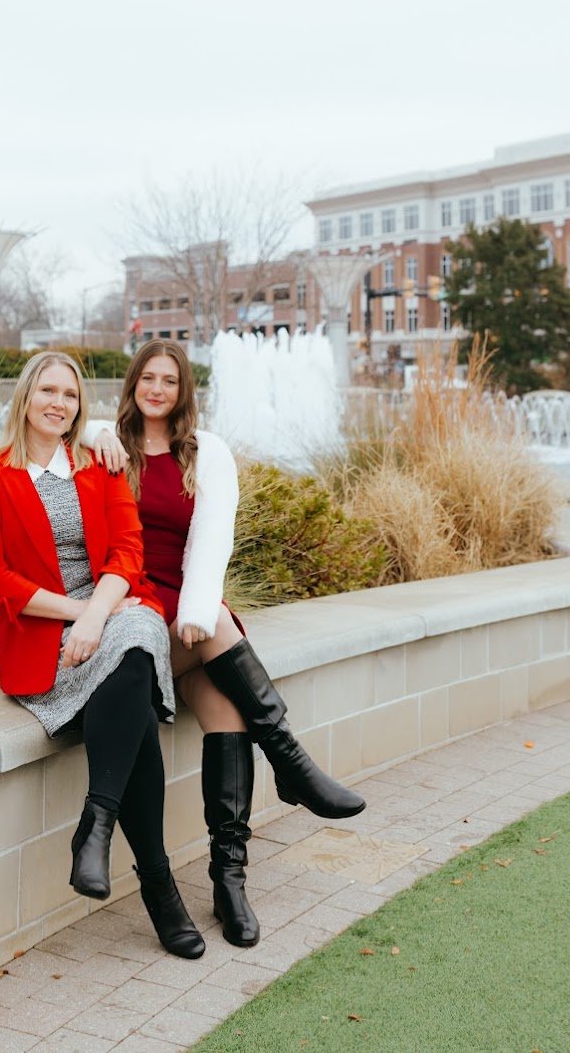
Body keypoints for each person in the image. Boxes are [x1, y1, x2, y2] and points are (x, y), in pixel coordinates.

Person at [88, 340, 365, 950]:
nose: (157, 389)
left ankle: (229, 879)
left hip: (188, 611)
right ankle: (291, 764)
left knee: (227, 711)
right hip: (132, 611)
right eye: (148, 378)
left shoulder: (202, 452)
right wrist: (94, 431)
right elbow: (60, 419)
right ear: (132, 382)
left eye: (170, 381)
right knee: (217, 625)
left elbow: (214, 536)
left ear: (184, 391)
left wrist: (193, 607)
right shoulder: (107, 444)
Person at [0, 350, 204, 959]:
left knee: (139, 639)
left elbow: (128, 552)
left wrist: (97, 614)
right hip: (43, 633)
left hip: (113, 609)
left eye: (69, 395)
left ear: (78, 407)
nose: (58, 404)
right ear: (25, 396)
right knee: (138, 701)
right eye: (48, 391)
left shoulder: (100, 467)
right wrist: (77, 616)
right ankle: (157, 886)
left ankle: (96, 824)